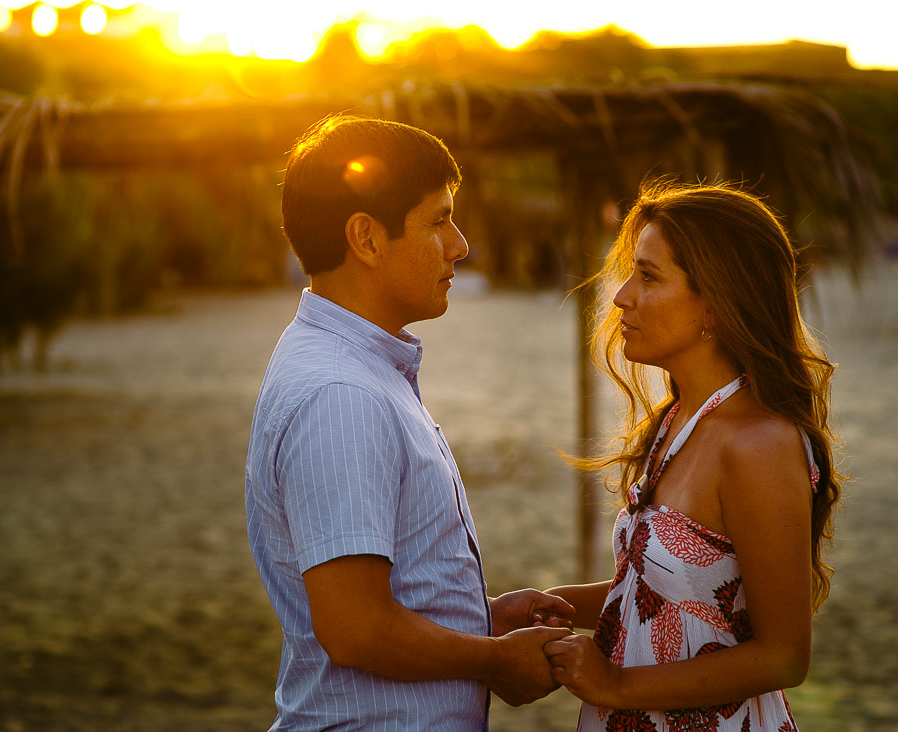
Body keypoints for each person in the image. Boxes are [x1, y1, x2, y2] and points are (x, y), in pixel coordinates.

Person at [245, 113, 574, 730]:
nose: (461, 244)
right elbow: (356, 628)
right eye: (438, 220)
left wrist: (478, 617)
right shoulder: (340, 395)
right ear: (366, 239)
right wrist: (493, 660)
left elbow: (377, 600)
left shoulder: (354, 369)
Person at [542, 180, 842, 731]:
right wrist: (555, 604)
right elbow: (675, 593)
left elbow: (784, 655)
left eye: (649, 276)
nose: (620, 295)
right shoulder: (679, 421)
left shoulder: (758, 444)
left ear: (715, 303)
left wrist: (614, 684)